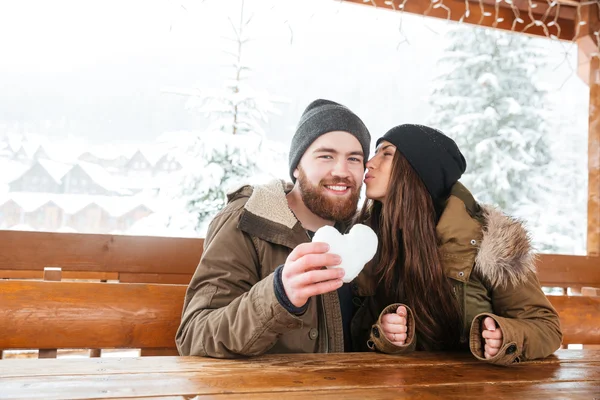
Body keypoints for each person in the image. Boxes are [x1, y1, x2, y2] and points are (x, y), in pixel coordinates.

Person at [176, 99, 371, 358]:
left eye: (354, 159)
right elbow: (194, 336)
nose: (341, 170)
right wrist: (279, 295)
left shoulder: (361, 238)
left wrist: (388, 333)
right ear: (296, 167)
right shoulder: (246, 221)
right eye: (326, 156)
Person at [356, 123, 562, 366]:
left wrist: (504, 336)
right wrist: (386, 334)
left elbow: (547, 328)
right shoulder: (368, 240)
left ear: (419, 171)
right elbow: (355, 333)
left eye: (386, 154)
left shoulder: (489, 240)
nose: (369, 162)